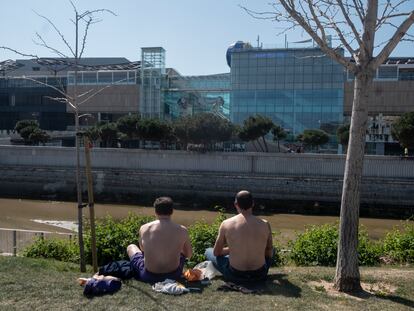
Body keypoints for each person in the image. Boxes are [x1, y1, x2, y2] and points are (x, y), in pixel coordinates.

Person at [205, 190, 273, 282]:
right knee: (273, 250)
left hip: (236, 274)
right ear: (253, 204)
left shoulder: (226, 224)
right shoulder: (265, 224)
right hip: (259, 274)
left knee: (208, 251)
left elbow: (216, 253)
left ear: (236, 204)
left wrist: (233, 248)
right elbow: (268, 252)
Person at [127, 197, 192, 283]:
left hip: (148, 276)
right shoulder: (182, 230)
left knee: (131, 247)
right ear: (172, 211)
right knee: (182, 251)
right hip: (174, 275)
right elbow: (188, 254)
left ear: (155, 211)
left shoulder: (144, 228)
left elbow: (142, 249)